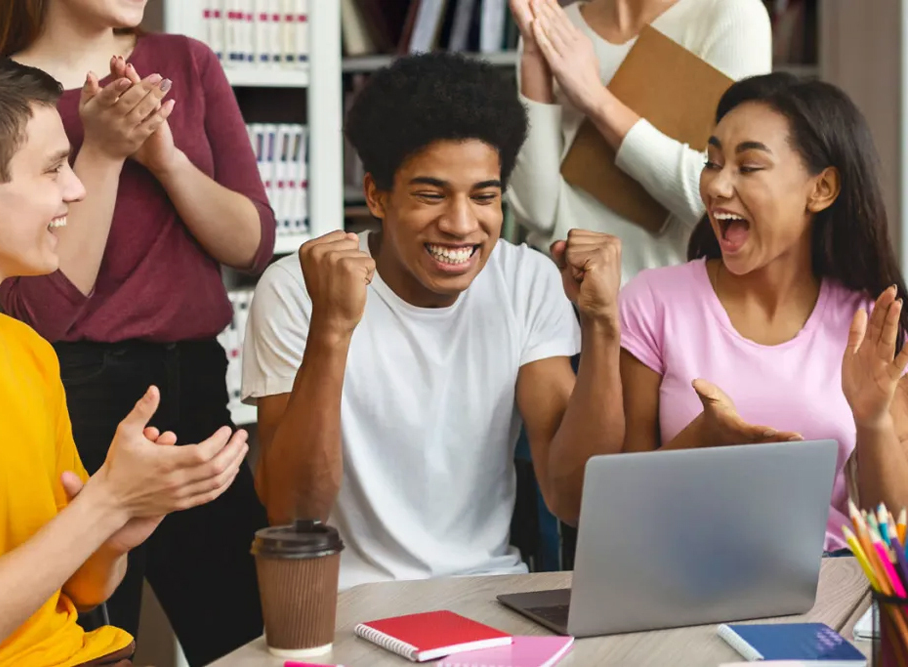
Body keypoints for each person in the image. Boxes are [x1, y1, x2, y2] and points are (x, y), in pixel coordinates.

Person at [0, 48, 249, 667]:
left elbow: (86, 591)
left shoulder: (27, 352)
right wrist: (105, 503)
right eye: (53, 169)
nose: (76, 188)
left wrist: (118, 529)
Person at [241, 52, 625, 590]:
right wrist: (331, 329)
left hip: (490, 591)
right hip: (349, 603)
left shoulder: (526, 281)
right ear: (376, 195)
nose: (462, 224)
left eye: (484, 197)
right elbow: (294, 516)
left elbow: (575, 499)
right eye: (431, 194)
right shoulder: (297, 289)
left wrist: (603, 326)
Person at [616, 72, 908, 553]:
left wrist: (873, 418)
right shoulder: (652, 302)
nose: (716, 185)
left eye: (748, 166)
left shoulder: (865, 319)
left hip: (827, 582)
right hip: (682, 576)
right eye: (712, 162)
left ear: (822, 189)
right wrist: (700, 441)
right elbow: (623, 511)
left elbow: (892, 531)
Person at [506, 0, 772, 282]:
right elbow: (537, 213)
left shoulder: (731, 13)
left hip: (671, 306)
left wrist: (596, 99)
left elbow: (727, 203)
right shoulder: (557, 27)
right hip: (563, 301)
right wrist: (534, 55)